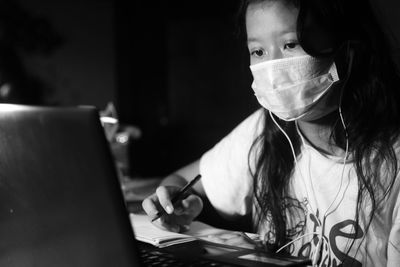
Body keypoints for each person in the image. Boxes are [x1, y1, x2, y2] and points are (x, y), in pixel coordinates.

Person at [142, 0, 400, 266]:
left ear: (348, 49)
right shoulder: (265, 128)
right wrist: (174, 202)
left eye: (290, 44)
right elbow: (181, 179)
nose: (272, 70)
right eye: (258, 51)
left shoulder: (393, 161)